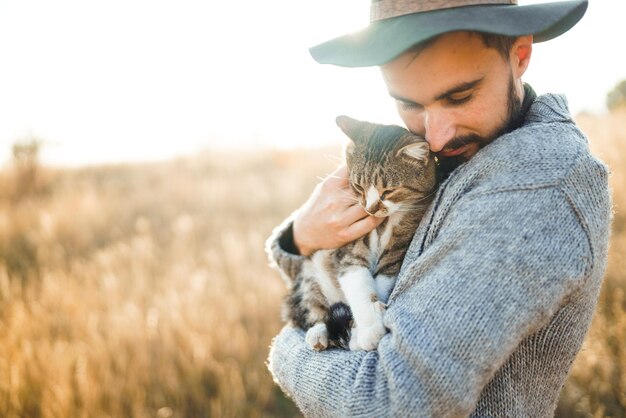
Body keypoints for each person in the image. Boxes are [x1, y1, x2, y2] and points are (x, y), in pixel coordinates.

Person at [266, 1, 611, 416]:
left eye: (460, 96)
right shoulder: (463, 156)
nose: (434, 137)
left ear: (519, 56)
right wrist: (301, 236)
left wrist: (284, 348)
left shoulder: (535, 183)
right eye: (409, 104)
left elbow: (390, 403)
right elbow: (342, 278)